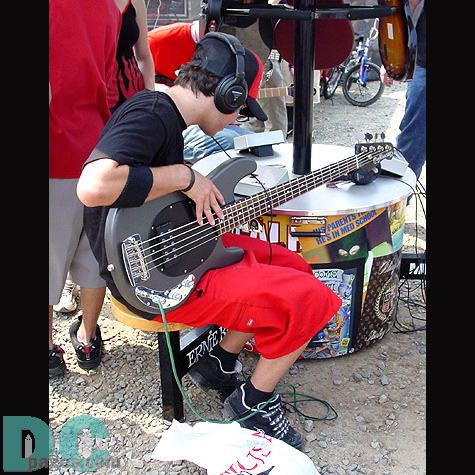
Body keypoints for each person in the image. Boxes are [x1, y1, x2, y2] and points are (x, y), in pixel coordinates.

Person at [77, 32, 341, 449]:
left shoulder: (165, 115)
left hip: (175, 249)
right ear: (225, 93)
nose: (237, 119)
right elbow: (94, 186)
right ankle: (253, 403)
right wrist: (185, 176)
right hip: (154, 280)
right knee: (313, 299)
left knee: (293, 264)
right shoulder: (152, 112)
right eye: (240, 107)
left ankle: (221, 361)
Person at [49, 0, 121, 377]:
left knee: (48, 259)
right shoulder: (108, 8)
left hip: (53, 148)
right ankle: (89, 338)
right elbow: (109, 83)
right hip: (98, 149)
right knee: (94, 256)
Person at [148, 21, 254, 163]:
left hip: (200, 120)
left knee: (255, 141)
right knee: (228, 141)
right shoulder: (158, 39)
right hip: (170, 119)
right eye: (240, 107)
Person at [380, 0, 425, 180]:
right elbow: (402, 11)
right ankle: (400, 193)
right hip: (424, 65)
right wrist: (393, 57)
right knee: (413, 140)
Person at [108, 0, 155, 113]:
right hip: (96, 99)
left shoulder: (136, 2)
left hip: (134, 98)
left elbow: (144, 56)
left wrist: (150, 95)